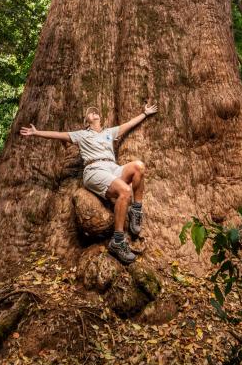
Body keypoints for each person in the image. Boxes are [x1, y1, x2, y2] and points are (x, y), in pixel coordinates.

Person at [20, 102, 157, 264]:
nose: (94, 112)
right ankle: (118, 241)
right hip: (94, 170)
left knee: (139, 167)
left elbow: (128, 124)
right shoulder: (82, 134)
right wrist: (36, 133)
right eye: (90, 113)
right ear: (86, 122)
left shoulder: (109, 132)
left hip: (112, 167)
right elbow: (58, 134)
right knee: (126, 191)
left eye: (95, 111)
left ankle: (136, 210)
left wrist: (145, 114)